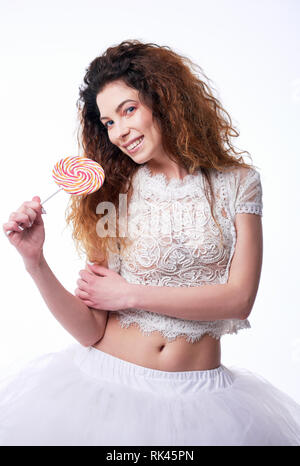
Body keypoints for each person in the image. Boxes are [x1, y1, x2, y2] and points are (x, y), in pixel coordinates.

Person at [1, 39, 300, 447]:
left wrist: (129, 294)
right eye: (107, 122)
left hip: (204, 403)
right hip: (107, 388)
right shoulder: (111, 192)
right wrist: (34, 261)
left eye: (129, 110)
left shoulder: (239, 184)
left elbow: (239, 299)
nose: (120, 132)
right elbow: (91, 329)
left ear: (163, 99)